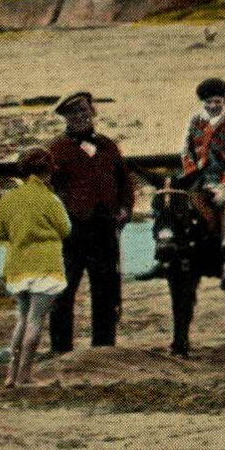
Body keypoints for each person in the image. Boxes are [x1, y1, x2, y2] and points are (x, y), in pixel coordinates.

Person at [46, 91, 133, 351]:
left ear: (92, 112)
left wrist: (126, 209)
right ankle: (61, 349)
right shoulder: (56, 149)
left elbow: (124, 182)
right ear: (65, 118)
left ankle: (104, 347)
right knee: (64, 290)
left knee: (106, 289)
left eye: (84, 111)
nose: (80, 117)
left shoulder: (108, 146)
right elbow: (49, 188)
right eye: (73, 113)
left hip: (105, 228)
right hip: (72, 231)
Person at [0, 147, 71, 387]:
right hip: (45, 265)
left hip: (17, 265)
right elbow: (65, 230)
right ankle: (24, 374)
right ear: (48, 171)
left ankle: (10, 374)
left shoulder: (8, 198)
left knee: (22, 320)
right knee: (35, 320)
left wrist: (18, 237)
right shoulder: (49, 198)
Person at [180, 77, 225, 186]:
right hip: (196, 176)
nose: (213, 106)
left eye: (217, 101)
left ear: (224, 102)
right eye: (208, 102)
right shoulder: (195, 122)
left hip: (223, 178)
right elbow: (186, 151)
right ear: (202, 102)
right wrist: (192, 173)